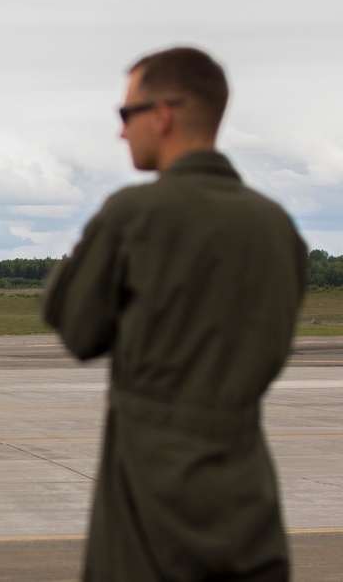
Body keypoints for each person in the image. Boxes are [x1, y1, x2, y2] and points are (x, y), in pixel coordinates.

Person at [41, 46, 308, 581]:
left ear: (162, 115)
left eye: (126, 114)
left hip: (149, 518)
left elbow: (76, 326)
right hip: (249, 512)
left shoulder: (134, 215)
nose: (121, 132)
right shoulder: (279, 227)